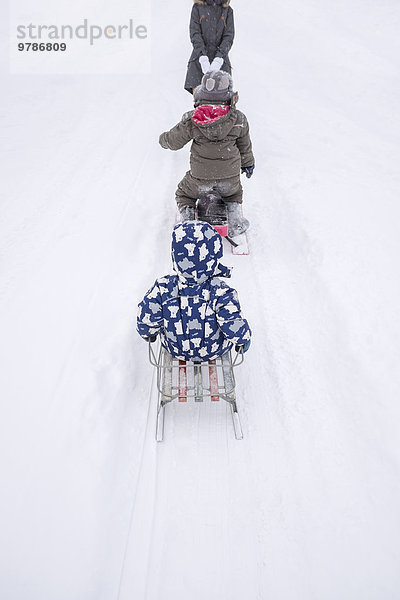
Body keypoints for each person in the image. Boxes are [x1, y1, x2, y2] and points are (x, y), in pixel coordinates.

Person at [137, 221, 251, 362]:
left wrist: (148, 333)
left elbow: (146, 317)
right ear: (213, 257)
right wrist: (243, 340)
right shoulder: (221, 291)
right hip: (213, 350)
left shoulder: (163, 288)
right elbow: (231, 321)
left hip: (175, 348)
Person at [159, 70, 255, 237]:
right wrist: (248, 163)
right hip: (229, 179)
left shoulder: (193, 119)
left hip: (199, 179)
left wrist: (164, 140)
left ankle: (188, 218)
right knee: (234, 194)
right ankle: (235, 221)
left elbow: (174, 141)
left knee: (183, 193)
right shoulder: (239, 119)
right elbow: (244, 145)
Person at [184, 0, 234, 94]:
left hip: (221, 62)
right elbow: (195, 33)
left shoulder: (227, 10)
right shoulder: (197, 8)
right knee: (200, 102)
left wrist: (219, 58)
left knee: (222, 101)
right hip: (198, 61)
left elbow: (229, 36)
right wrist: (202, 56)